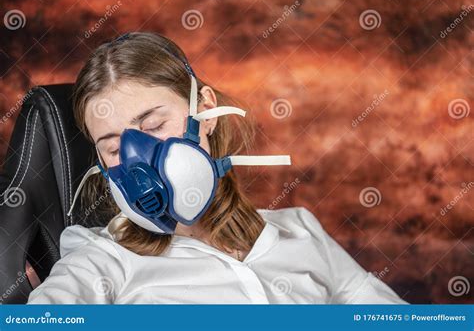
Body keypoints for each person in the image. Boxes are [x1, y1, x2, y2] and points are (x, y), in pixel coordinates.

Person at [27, 32, 406, 304]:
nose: (137, 159)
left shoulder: (299, 231)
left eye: (155, 126)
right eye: (113, 148)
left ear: (205, 112)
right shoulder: (101, 262)